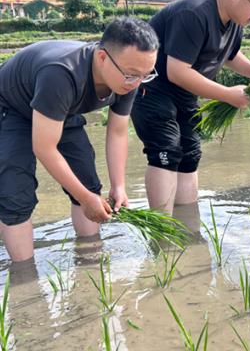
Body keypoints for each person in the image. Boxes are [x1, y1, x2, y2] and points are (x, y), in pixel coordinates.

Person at [131, 0, 250, 214]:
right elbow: (177, 71)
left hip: (184, 94)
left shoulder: (235, 20)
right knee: (167, 151)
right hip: (153, 89)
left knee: (190, 153)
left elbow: (229, 55)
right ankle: (163, 231)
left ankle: (187, 224)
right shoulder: (193, 14)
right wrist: (228, 94)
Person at [0, 17, 159, 262]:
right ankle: (25, 276)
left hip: (61, 110)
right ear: (103, 58)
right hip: (11, 108)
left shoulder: (128, 78)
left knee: (87, 180)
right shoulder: (62, 73)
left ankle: (90, 258)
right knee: (15, 193)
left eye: (145, 75)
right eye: (132, 75)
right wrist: (86, 199)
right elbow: (44, 147)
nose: (137, 83)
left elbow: (117, 131)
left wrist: (118, 186)